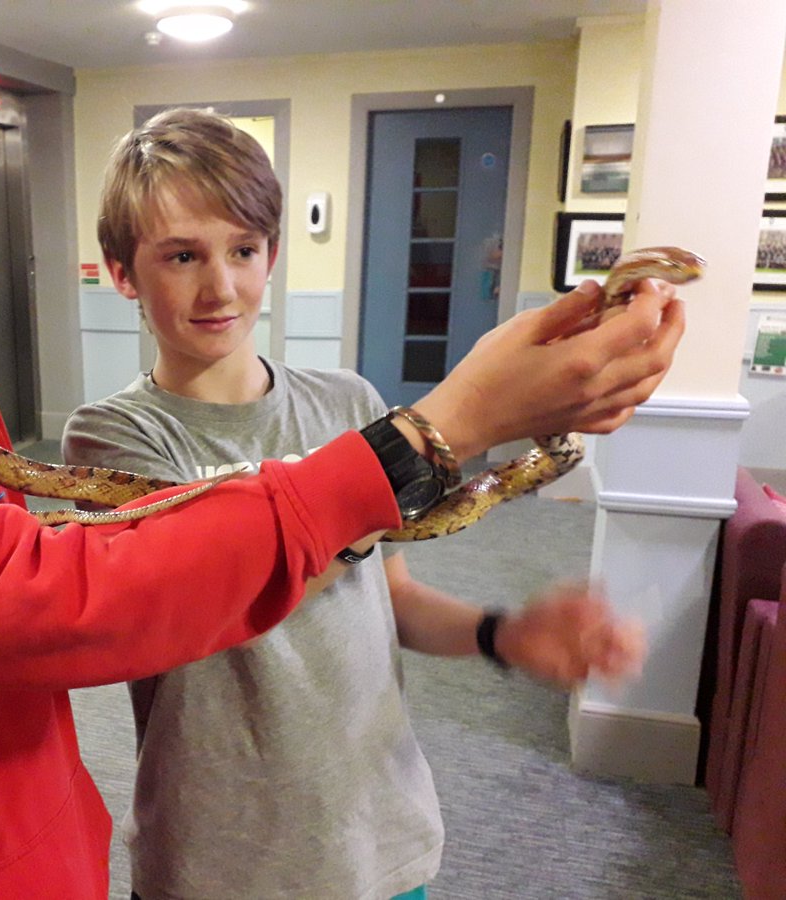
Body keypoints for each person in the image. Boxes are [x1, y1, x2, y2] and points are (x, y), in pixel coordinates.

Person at [0, 2, 682, 896]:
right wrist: (440, 430)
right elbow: (70, 597)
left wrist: (497, 611)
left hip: (57, 862)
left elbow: (355, 581)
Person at [62, 108, 663, 899]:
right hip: (219, 856)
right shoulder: (112, 440)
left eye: (243, 250)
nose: (221, 285)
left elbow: (393, 596)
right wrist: (393, 467)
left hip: (379, 837)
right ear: (122, 273)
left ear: (271, 255)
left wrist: (503, 633)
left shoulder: (349, 406)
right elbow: (201, 598)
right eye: (182, 256)